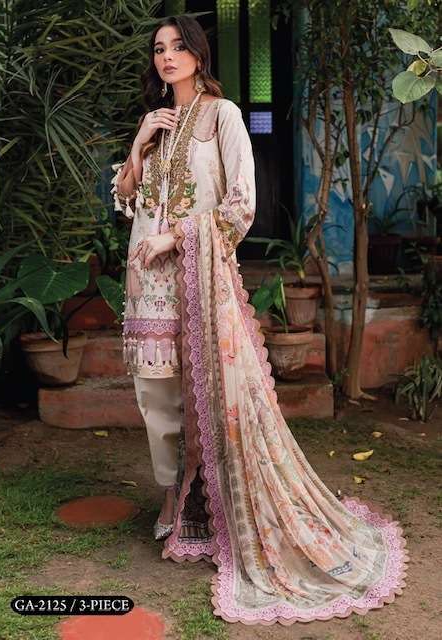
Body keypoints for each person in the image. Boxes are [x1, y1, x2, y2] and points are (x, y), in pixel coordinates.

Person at [111, 14, 408, 627]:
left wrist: (175, 239)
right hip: (147, 284)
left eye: (178, 46)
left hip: (196, 277)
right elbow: (129, 200)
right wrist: (139, 144)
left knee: (207, 390)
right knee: (155, 393)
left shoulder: (223, 117)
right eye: (159, 49)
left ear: (199, 54)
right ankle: (174, 497)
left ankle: (208, 504)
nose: (168, 56)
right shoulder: (156, 124)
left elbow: (239, 204)